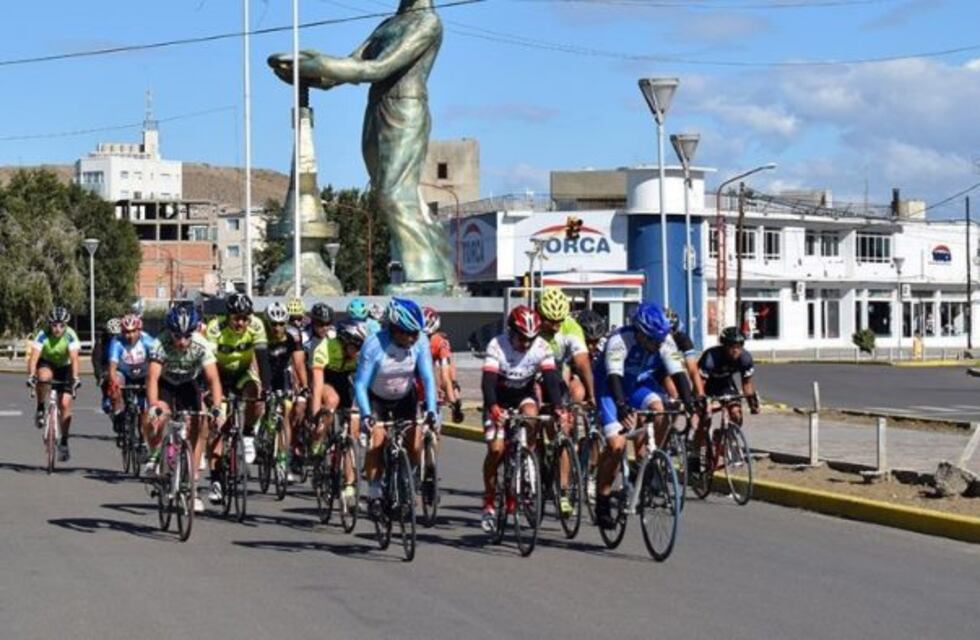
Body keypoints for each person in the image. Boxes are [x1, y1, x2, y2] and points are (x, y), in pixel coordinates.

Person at [593, 303, 680, 530]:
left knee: (662, 410)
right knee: (616, 445)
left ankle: (647, 463)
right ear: (640, 333)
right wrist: (622, 407)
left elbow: (678, 374)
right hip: (610, 388)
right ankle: (602, 500)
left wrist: (691, 402)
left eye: (660, 340)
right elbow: (613, 378)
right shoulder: (619, 341)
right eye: (652, 340)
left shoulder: (663, 340)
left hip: (637, 385)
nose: (657, 345)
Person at [479, 305, 564, 532]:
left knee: (532, 416)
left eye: (530, 339)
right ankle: (488, 501)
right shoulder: (497, 345)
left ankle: (528, 457)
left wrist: (558, 407)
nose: (526, 344)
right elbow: (487, 381)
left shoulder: (542, 347)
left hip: (523, 395)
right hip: (498, 398)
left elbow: (551, 379)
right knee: (496, 450)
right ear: (511, 332)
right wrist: (493, 406)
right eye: (521, 338)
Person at [354, 298, 439, 518]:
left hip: (404, 397)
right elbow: (361, 384)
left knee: (415, 440)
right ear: (394, 329)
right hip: (376, 398)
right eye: (408, 333)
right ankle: (373, 492)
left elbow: (428, 378)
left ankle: (405, 478)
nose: (413, 338)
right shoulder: (374, 345)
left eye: (416, 333)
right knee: (378, 440)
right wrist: (365, 415)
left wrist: (431, 410)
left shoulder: (420, 343)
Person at [146, 306, 225, 513]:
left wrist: (217, 408)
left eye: (186, 336)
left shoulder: (201, 344)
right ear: (169, 331)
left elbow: (213, 379)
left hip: (188, 384)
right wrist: (154, 406)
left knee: (200, 423)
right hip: (166, 383)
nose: (182, 342)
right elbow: (152, 378)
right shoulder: (159, 343)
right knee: (159, 415)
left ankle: (192, 484)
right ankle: (154, 453)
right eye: (177, 336)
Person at [204, 293, 271, 504]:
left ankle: (249, 433)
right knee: (217, 426)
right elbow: (209, 364)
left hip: (243, 373)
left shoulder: (257, 325)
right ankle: (215, 480)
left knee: (256, 393)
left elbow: (263, 360)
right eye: (236, 318)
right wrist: (211, 393)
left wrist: (267, 388)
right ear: (228, 316)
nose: (241, 322)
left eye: (245, 318)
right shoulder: (215, 328)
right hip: (219, 375)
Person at [310, 319, 366, 506]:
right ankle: (319, 439)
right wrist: (316, 415)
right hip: (326, 380)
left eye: (360, 347)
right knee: (332, 400)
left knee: (353, 430)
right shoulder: (325, 348)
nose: (358, 351)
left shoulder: (359, 355)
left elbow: (366, 384)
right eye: (355, 346)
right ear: (344, 341)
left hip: (346, 382)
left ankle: (349, 485)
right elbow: (317, 386)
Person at [26, 307, 82, 461]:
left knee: (64, 404)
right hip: (47, 363)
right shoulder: (43, 334)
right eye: (54, 325)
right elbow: (34, 358)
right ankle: (40, 407)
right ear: (49, 324)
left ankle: (64, 442)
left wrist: (76, 378)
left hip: (65, 366)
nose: (58, 329)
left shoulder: (71, 335)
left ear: (66, 325)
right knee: (43, 377)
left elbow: (75, 359)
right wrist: (31, 376)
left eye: (61, 325)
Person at [262, 301, 308, 483]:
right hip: (264, 372)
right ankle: (262, 433)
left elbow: (298, 363)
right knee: (263, 404)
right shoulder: (261, 335)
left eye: (281, 324)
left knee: (287, 412)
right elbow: (254, 362)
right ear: (267, 323)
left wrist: (304, 386)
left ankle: (282, 460)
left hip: (282, 374)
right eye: (273, 324)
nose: (278, 328)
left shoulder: (293, 335)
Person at [106, 314, 156, 464]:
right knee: (115, 385)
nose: (130, 335)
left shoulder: (148, 340)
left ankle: (143, 441)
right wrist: (114, 383)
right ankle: (119, 414)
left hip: (142, 372)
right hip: (124, 372)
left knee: (144, 410)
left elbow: (156, 363)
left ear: (139, 330)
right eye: (126, 332)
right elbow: (113, 368)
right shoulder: (116, 342)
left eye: (133, 331)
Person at [537, 287, 596, 405]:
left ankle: (567, 419)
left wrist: (592, 395)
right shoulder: (533, 325)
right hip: (534, 372)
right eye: (551, 322)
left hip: (560, 371)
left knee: (578, 392)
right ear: (541, 316)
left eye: (559, 321)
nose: (555, 327)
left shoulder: (571, 326)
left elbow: (582, 362)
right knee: (536, 393)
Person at [698, 327, 760, 426]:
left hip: (725, 384)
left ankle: (727, 436)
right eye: (732, 346)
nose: (736, 350)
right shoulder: (711, 357)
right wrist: (702, 402)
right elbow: (700, 384)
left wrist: (752, 404)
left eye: (739, 346)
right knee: (705, 419)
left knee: (736, 413)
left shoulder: (745, 359)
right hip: (706, 385)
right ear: (724, 346)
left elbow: (747, 384)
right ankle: (700, 440)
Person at [422, 305, 463, 423]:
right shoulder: (410, 340)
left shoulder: (441, 342)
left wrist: (453, 400)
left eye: (428, 337)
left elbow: (445, 374)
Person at [94, 317, 122, 416]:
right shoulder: (102, 341)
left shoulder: (125, 340)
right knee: (107, 377)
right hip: (107, 364)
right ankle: (106, 396)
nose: (115, 337)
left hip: (122, 365)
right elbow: (97, 359)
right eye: (112, 335)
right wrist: (99, 374)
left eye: (118, 334)